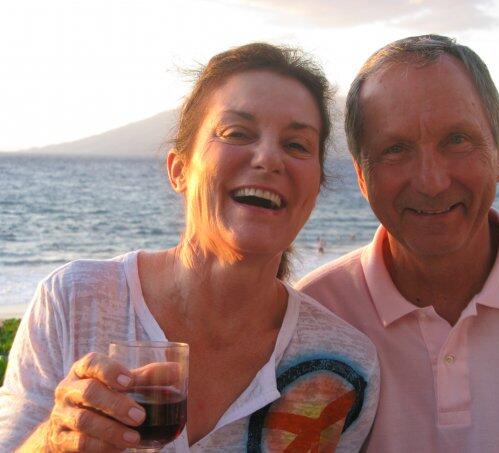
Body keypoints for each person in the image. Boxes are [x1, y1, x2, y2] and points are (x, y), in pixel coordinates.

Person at [0, 43, 379, 452]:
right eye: (237, 133)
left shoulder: (345, 364)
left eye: (297, 145)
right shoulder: (74, 301)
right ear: (179, 170)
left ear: (316, 187)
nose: (269, 158)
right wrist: (53, 441)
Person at [297, 35, 499, 452]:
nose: (432, 182)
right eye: (395, 149)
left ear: (498, 154)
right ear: (362, 176)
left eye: (457, 140)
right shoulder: (316, 315)